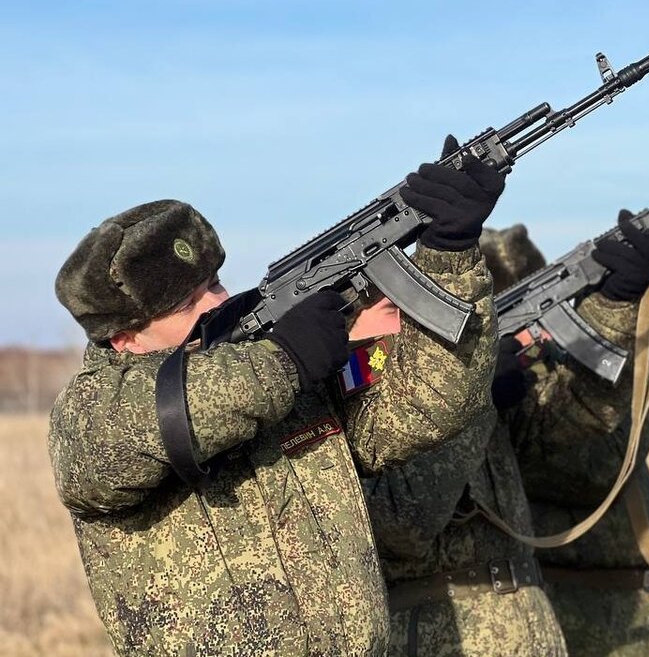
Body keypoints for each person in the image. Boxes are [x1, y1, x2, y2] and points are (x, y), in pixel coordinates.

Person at [48, 145, 500, 656]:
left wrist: (449, 255)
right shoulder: (90, 413)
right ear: (126, 339)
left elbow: (423, 407)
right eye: (187, 303)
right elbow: (164, 419)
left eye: (215, 283)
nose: (218, 302)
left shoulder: (278, 382)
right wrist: (287, 357)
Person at [353, 211, 649, 656]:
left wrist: (615, 307)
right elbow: (403, 524)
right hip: (444, 637)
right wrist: (475, 393)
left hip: (529, 627)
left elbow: (575, 419)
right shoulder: (364, 394)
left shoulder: (465, 388)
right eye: (396, 308)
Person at [509, 215, 649, 657]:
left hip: (633, 603)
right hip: (569, 607)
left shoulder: (558, 362)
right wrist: (615, 320)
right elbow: (597, 463)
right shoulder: (515, 382)